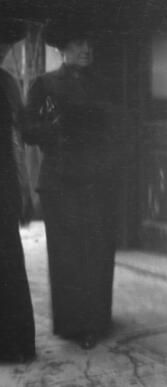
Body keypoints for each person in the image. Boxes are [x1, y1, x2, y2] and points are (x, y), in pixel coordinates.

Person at [23, 19, 124, 350]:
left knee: (97, 250)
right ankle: (74, 325)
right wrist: (57, 131)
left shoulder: (104, 83)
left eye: (88, 42)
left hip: (98, 179)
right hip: (61, 182)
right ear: (62, 48)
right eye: (78, 43)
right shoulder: (44, 84)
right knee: (69, 255)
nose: (86, 49)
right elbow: (27, 129)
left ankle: (98, 319)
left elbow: (117, 126)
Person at [0, 17, 36, 363]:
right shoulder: (8, 82)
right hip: (4, 180)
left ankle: (13, 345)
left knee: (8, 258)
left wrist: (23, 190)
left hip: (4, 182)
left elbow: (18, 137)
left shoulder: (8, 82)